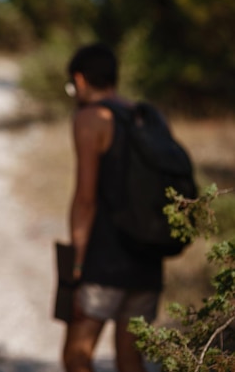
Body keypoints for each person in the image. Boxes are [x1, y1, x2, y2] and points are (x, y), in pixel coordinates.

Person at [62, 43, 162, 372]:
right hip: (148, 256)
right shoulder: (145, 116)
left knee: (77, 356)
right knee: (131, 361)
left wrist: (75, 268)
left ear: (79, 79)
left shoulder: (90, 118)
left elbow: (86, 198)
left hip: (105, 260)